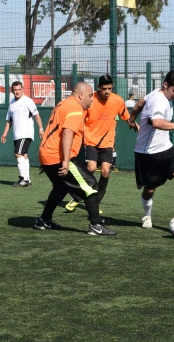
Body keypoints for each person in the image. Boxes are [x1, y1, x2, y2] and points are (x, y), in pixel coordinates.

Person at [34, 82, 116, 236]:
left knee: (60, 188)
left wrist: (47, 160)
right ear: (81, 95)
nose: (92, 99)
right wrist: (65, 161)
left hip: (48, 154)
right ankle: (96, 225)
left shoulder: (63, 104)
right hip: (59, 157)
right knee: (91, 185)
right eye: (90, 95)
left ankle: (43, 220)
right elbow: (67, 133)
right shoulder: (75, 108)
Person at [128, 70, 174, 230]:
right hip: (148, 153)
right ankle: (147, 215)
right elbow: (157, 122)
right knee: (149, 190)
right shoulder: (159, 100)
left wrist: (131, 119)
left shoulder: (157, 93)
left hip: (165, 148)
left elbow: (139, 104)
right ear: (165, 85)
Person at [65, 75, 136, 213]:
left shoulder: (118, 100)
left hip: (107, 141)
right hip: (90, 139)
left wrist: (132, 123)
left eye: (110, 88)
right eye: (104, 89)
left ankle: (95, 203)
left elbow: (126, 116)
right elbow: (79, 116)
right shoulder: (91, 99)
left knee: (105, 171)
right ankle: (78, 196)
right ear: (99, 88)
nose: (107, 91)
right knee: (91, 168)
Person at [1, 80, 44, 187]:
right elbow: (9, 120)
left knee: (18, 154)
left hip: (26, 133)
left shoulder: (28, 101)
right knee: (24, 155)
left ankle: (23, 178)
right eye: (15, 90)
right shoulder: (12, 103)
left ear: (23, 89)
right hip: (17, 134)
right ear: (12, 91)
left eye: (19, 89)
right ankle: (27, 180)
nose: (17, 92)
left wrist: (41, 129)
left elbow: (36, 115)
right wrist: (5, 133)